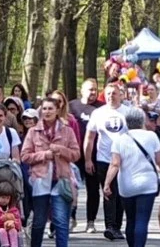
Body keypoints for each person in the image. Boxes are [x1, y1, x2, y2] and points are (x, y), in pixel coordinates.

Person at [104, 108, 160, 247]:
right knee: (142, 220)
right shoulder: (152, 137)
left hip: (127, 185)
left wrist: (107, 184)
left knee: (130, 220)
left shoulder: (119, 140)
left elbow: (115, 164)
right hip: (147, 185)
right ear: (143, 120)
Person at [21, 97, 80, 247]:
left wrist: (61, 150)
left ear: (57, 110)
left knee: (60, 222)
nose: (47, 112)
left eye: (50, 109)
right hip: (40, 180)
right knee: (39, 221)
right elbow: (25, 156)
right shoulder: (33, 132)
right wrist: (44, 155)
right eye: (44, 109)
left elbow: (76, 154)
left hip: (61, 181)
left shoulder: (67, 131)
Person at [84, 83, 130, 241]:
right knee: (109, 191)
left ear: (120, 95)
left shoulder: (128, 112)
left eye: (114, 93)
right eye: (108, 93)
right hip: (104, 159)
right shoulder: (98, 113)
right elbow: (89, 138)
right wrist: (88, 159)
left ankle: (117, 225)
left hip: (124, 160)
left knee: (121, 193)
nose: (111, 96)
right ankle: (110, 226)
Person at [69, 79, 104, 234]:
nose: (93, 93)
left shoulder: (101, 108)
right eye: (90, 89)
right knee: (71, 187)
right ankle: (71, 217)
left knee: (93, 189)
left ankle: (91, 221)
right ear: (82, 90)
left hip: (94, 154)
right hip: (75, 154)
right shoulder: (72, 106)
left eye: (95, 90)